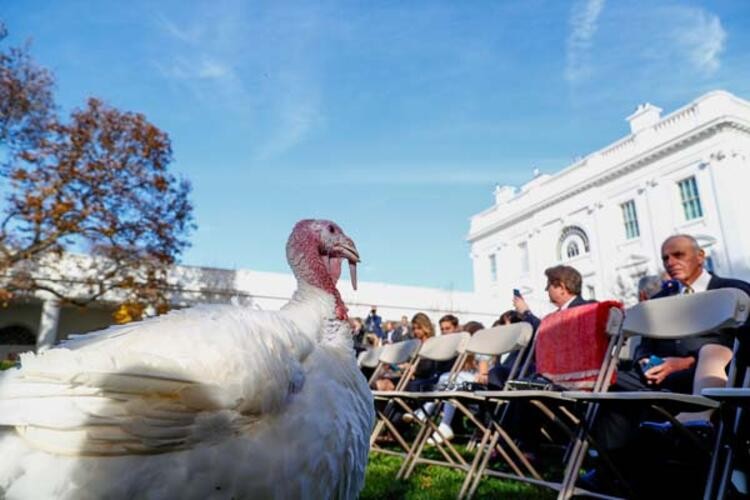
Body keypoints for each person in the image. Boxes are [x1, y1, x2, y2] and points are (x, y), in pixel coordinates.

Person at [585, 234, 750, 492]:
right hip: (658, 376)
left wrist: (684, 362)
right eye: (665, 257)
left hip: (710, 373)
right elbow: (644, 346)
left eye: (678, 255)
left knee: (712, 352)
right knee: (612, 384)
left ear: (700, 256)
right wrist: (645, 363)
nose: (670, 262)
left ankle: (693, 435)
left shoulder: (734, 290)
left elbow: (742, 341)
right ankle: (611, 470)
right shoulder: (660, 300)